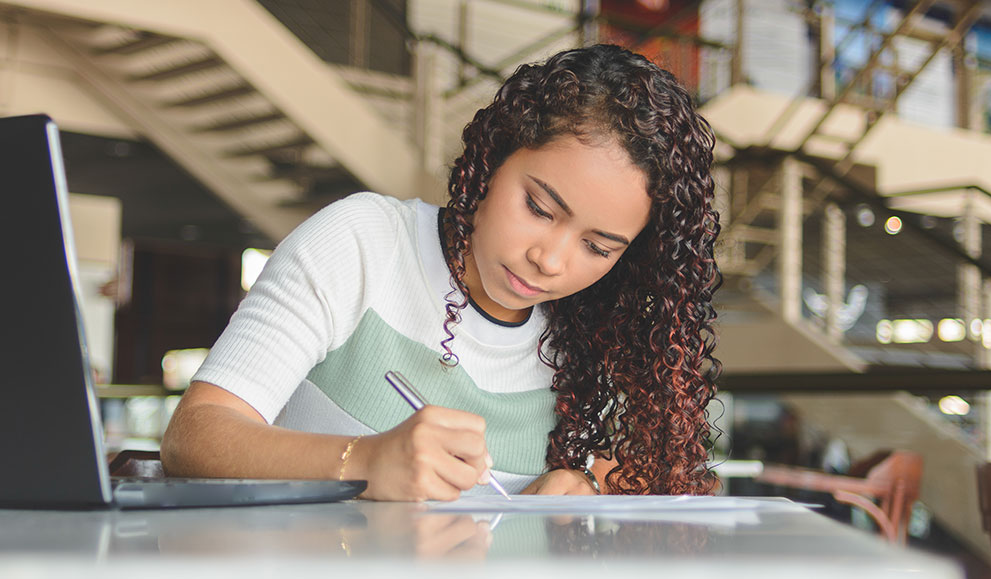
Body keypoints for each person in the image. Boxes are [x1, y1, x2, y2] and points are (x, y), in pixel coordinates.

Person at [161, 44, 722, 501]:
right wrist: (364, 462)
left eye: (598, 248)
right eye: (539, 209)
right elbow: (194, 437)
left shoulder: (593, 333)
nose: (550, 261)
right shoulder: (364, 243)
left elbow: (646, 476)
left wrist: (581, 486)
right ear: (496, 155)